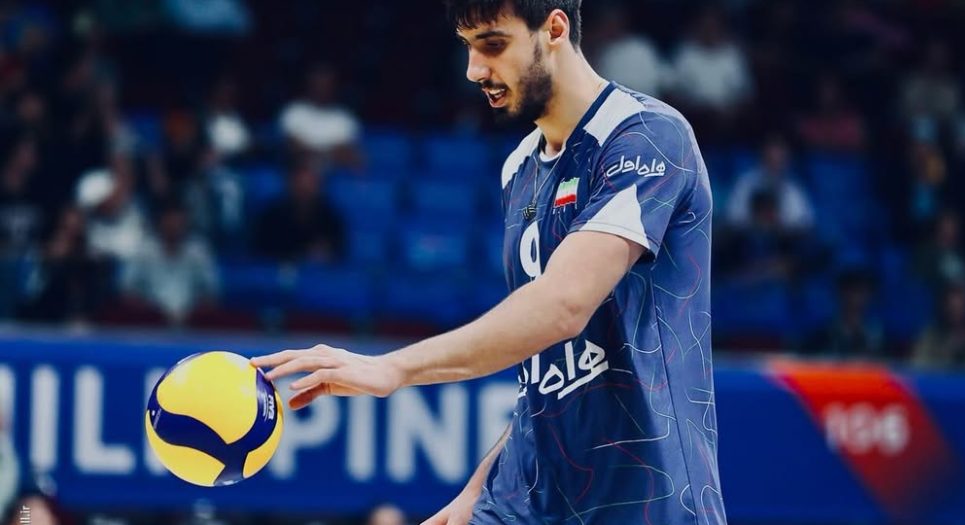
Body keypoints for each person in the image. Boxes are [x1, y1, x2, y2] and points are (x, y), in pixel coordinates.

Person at [253, 1, 725, 524]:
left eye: (493, 45)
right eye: (467, 47)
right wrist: (479, 490)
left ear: (554, 28)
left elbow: (563, 306)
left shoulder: (647, 137)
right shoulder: (519, 168)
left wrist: (391, 367)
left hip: (647, 500)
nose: (475, 70)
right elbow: (542, 375)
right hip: (529, 503)